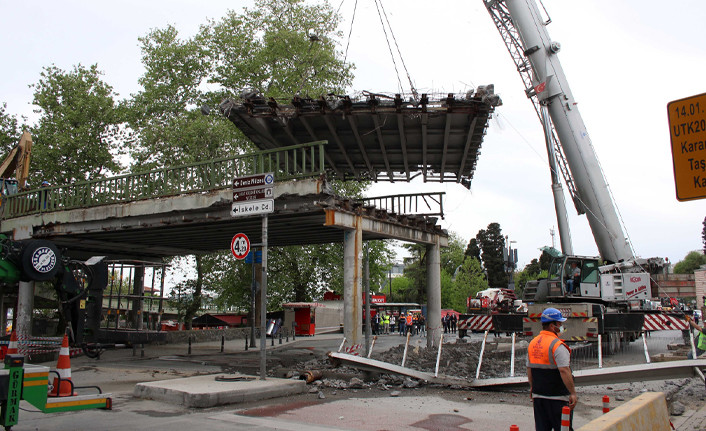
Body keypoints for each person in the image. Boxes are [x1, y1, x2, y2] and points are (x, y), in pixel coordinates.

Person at [527, 307, 578, 431]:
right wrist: (572, 393)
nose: (561, 327)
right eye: (559, 324)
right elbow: (564, 370)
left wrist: (533, 387)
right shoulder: (557, 345)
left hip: (539, 397)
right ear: (552, 325)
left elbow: (530, 370)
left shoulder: (533, 343)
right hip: (558, 398)